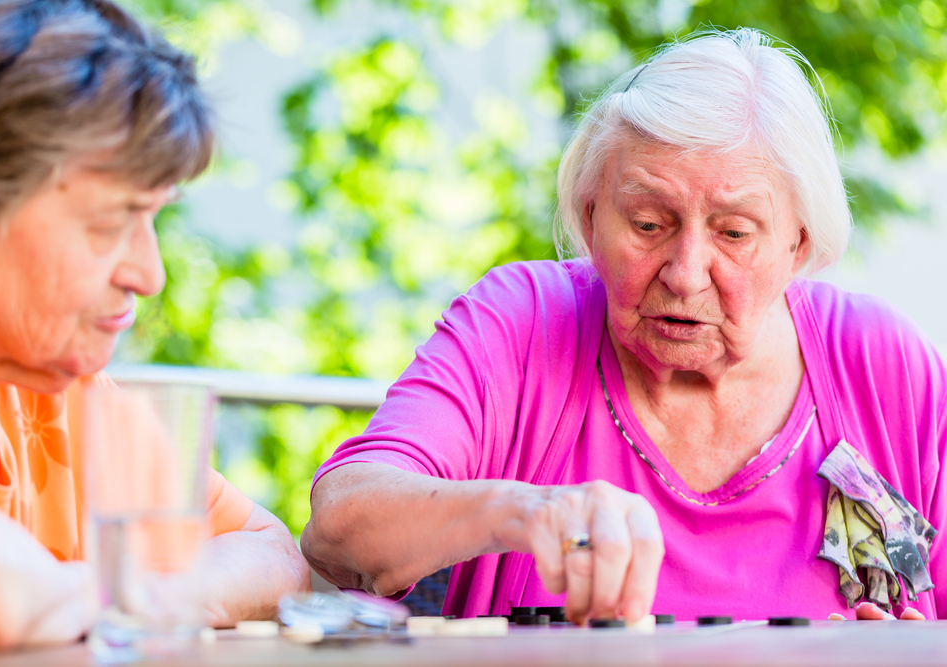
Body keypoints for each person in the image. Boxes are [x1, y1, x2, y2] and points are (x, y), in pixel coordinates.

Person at [302, 28, 945, 624]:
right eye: (647, 224)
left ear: (799, 245)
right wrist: (522, 509)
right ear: (590, 220)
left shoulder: (882, 364)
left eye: (734, 232)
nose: (687, 272)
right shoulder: (521, 323)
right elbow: (339, 528)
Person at [0, 0, 310, 649]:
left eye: (156, 219)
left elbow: (272, 554)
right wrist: (135, 593)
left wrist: (132, 597)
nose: (150, 273)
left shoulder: (72, 395)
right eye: (111, 223)